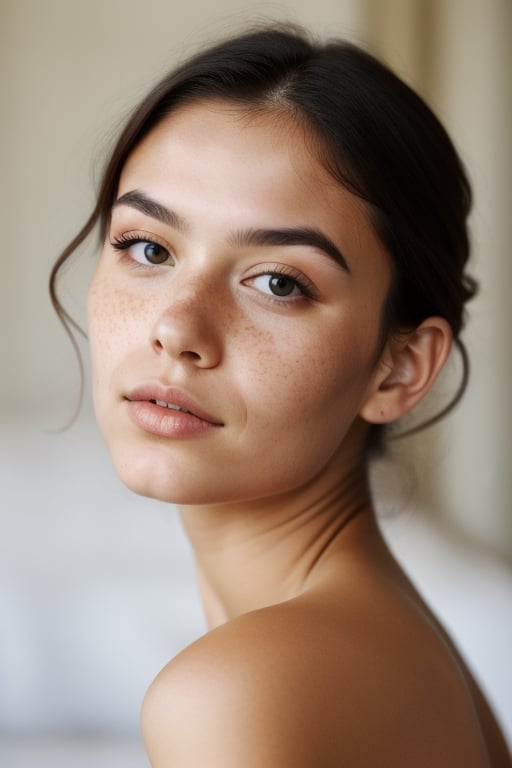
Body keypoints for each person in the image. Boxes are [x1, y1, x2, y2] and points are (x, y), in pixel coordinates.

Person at [50, 24, 511, 768]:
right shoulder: (389, 648)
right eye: (149, 248)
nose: (177, 326)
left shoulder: (244, 689)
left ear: (398, 368)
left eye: (278, 283)